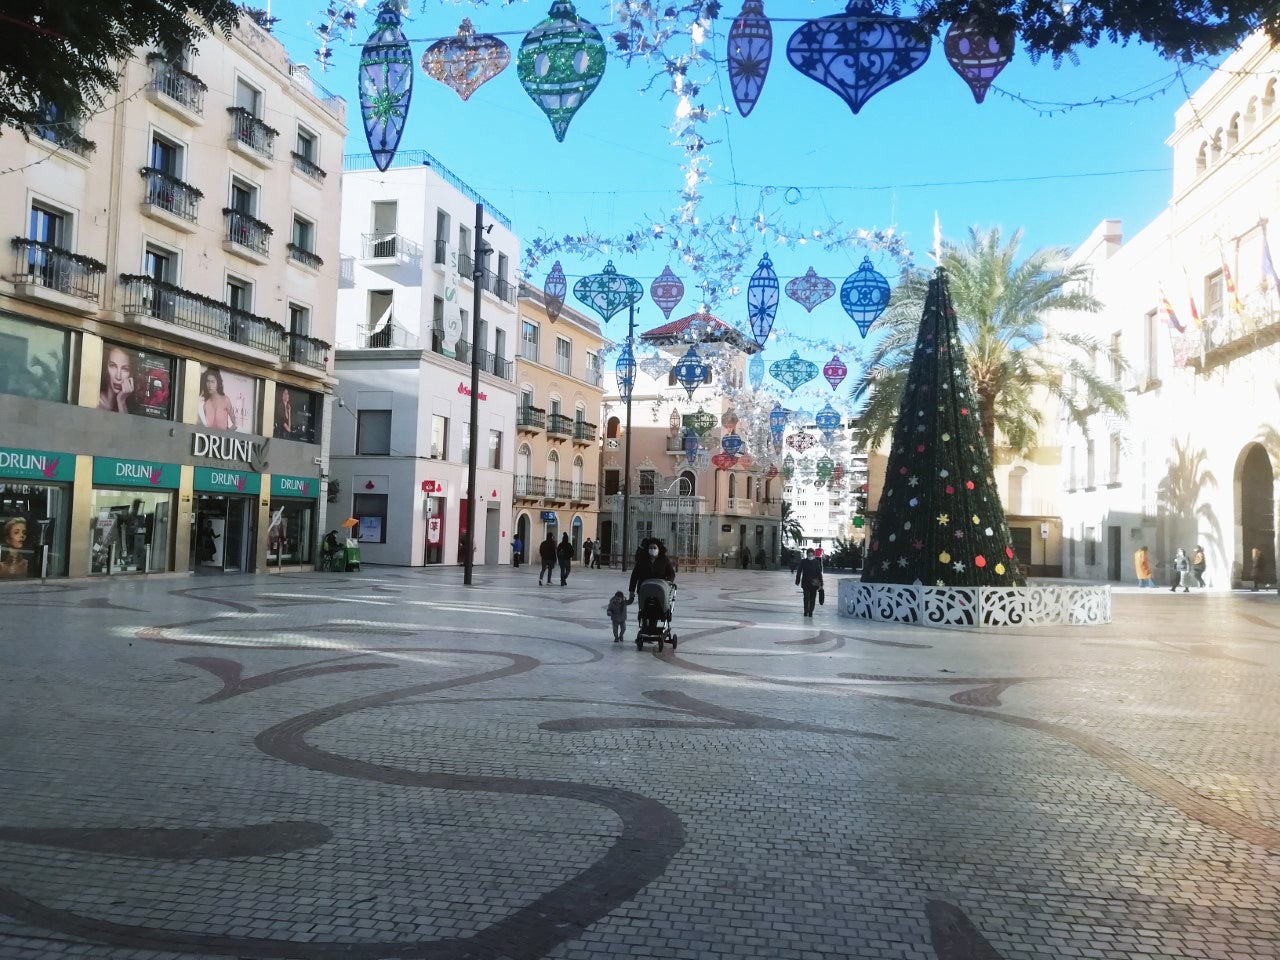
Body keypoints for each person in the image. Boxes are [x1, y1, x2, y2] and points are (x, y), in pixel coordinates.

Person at [98, 345, 139, 414]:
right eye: (113, 366)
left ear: (131, 374)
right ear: (106, 368)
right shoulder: (94, 400)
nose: (118, 376)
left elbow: (125, 425)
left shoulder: (133, 407)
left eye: (125, 369)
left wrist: (121, 401)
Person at [198, 367, 238, 431]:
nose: (210, 385)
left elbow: (235, 424)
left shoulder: (225, 400)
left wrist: (227, 435)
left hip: (224, 439)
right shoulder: (206, 404)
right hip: (210, 438)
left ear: (217, 383)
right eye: (208, 381)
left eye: (212, 382)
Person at [795, 547, 824, 616]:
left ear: (813, 555)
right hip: (806, 582)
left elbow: (819, 573)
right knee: (806, 597)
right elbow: (799, 571)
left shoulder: (816, 562)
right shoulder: (803, 561)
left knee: (812, 598)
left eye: (811, 555)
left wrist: (821, 583)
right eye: (809, 555)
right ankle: (806, 610)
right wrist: (797, 580)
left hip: (814, 582)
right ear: (807, 555)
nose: (810, 556)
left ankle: (811, 611)